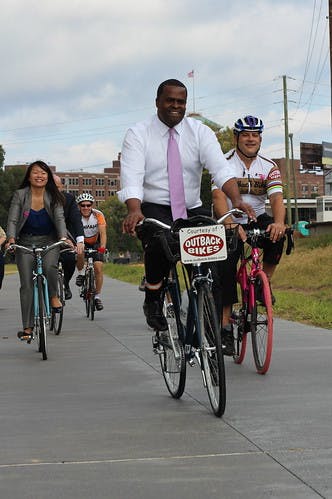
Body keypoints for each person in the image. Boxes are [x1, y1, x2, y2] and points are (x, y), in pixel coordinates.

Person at [118, 78, 255, 332]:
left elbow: (221, 170)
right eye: (169, 100)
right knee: (159, 240)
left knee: (217, 247)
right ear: (157, 102)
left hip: (191, 207)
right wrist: (134, 209)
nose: (175, 106)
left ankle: (205, 300)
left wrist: (236, 199)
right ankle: (154, 294)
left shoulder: (200, 132)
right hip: (153, 205)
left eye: (181, 102)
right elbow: (132, 176)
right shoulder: (138, 133)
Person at [212, 115, 286, 355]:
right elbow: (218, 198)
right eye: (245, 135)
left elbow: (276, 198)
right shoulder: (223, 163)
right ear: (236, 138)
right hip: (230, 218)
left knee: (279, 235)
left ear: (260, 138)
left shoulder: (270, 166)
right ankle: (224, 326)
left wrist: (279, 223)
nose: (251, 139)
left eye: (255, 135)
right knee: (225, 266)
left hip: (256, 216)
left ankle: (265, 284)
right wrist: (231, 224)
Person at [6, 160, 71, 341]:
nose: (39, 176)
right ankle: (27, 328)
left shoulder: (54, 195)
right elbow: (12, 219)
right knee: (26, 284)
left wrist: (63, 238)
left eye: (43, 173)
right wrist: (11, 239)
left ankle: (53, 296)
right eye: (35, 172)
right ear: (29, 176)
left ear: (48, 177)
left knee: (50, 266)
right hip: (25, 243)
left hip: (49, 241)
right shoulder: (20, 195)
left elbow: (59, 219)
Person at [53, 175, 85, 300]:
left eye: (57, 186)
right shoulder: (41, 199)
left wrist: (80, 241)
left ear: (61, 187)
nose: (54, 189)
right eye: (51, 186)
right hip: (47, 236)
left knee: (70, 259)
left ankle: (65, 283)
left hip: (67, 236)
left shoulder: (69, 199)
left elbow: (76, 220)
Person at [75, 193, 107, 311]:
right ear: (79, 206)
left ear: (92, 205)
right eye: (82, 205)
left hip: (95, 241)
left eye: (88, 205)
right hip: (81, 240)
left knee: (98, 267)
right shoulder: (76, 216)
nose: (86, 208)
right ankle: (81, 273)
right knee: (79, 253)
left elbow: (103, 233)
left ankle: (97, 296)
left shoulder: (98, 215)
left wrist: (102, 247)